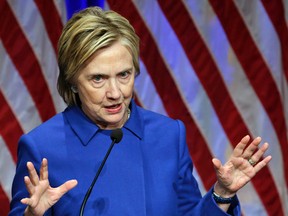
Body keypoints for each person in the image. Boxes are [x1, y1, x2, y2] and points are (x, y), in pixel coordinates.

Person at [9, 6, 271, 216]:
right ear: (73, 82)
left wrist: (222, 194)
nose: (116, 92)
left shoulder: (168, 134)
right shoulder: (41, 147)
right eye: (98, 79)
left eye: (124, 74)